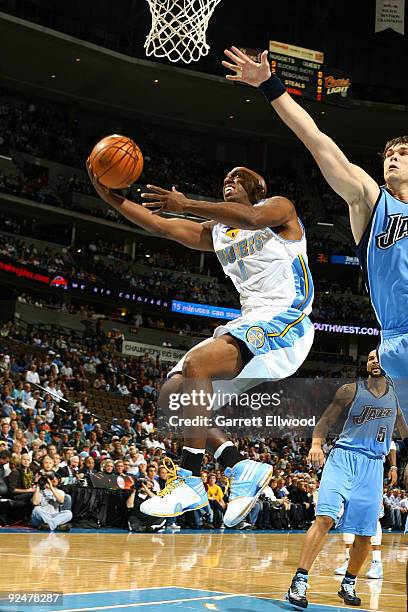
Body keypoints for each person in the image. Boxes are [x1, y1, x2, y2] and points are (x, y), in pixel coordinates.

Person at [87, 137, 314, 526]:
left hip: (287, 320)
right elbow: (161, 225)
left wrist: (188, 203)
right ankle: (240, 466)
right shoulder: (218, 232)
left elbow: (253, 221)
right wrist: (108, 196)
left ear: (256, 189)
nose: (230, 180)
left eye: (238, 178)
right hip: (252, 323)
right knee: (172, 396)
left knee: (196, 362)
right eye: (226, 177)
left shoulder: (278, 209)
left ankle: (188, 479)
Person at [222, 46, 408, 417]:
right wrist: (269, 85)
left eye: (403, 154)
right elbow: (315, 138)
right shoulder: (370, 200)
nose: (393, 157)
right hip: (397, 339)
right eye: (390, 153)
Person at [283, 351, 408, 607]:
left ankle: (348, 583)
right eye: (371, 357)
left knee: (364, 533)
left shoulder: (398, 397)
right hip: (343, 458)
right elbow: (326, 420)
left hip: (373, 465)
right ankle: (299, 581)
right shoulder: (350, 390)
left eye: (379, 358)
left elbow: (404, 432)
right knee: (325, 518)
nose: (375, 361)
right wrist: (316, 444)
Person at [334, 442, 398, 580]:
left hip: (372, 473)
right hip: (351, 472)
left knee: (373, 517)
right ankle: (348, 559)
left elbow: (391, 445)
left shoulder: (378, 425)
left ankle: (377, 562)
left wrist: (393, 466)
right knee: (347, 514)